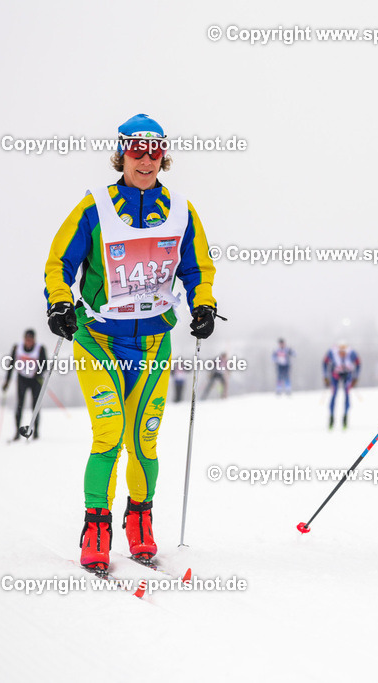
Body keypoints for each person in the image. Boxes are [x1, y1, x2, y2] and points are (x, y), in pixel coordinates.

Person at [43, 113, 219, 571]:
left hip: (153, 343)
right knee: (109, 433)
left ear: (165, 156)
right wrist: (60, 302)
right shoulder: (95, 207)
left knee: (144, 438)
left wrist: (202, 304)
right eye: (136, 150)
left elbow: (197, 269)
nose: (145, 160)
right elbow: (60, 261)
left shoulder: (181, 210)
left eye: (154, 151)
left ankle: (139, 519)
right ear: (120, 154)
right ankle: (96, 525)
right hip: (98, 337)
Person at [2, 329, 48, 440]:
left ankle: (35, 433)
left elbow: (45, 365)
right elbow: (11, 365)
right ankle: (17, 433)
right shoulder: (17, 348)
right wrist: (7, 382)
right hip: (22, 379)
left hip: (35, 380)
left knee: (35, 406)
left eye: (30, 340)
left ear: (34, 339)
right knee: (19, 405)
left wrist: (38, 373)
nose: (28, 342)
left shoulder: (40, 348)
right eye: (26, 339)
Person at [322, 342, 360, 429]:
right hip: (335, 375)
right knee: (334, 394)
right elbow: (324, 363)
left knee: (347, 394)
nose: (342, 354)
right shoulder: (332, 353)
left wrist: (356, 377)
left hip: (347, 375)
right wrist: (325, 376)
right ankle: (331, 417)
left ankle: (345, 417)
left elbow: (358, 363)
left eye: (344, 352)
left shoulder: (352, 353)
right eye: (340, 352)